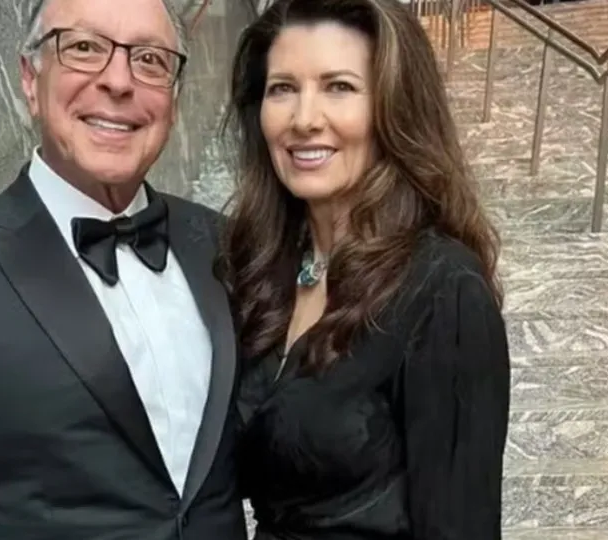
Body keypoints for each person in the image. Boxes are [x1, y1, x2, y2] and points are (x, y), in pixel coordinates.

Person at [0, 0, 246, 538]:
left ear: (174, 95)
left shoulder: (226, 244)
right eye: (84, 48)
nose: (119, 81)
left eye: (150, 59)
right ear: (31, 79)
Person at [217, 0, 511, 538]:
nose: (305, 119)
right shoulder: (258, 267)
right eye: (283, 88)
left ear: (394, 107)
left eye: (339, 87)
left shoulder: (443, 291)